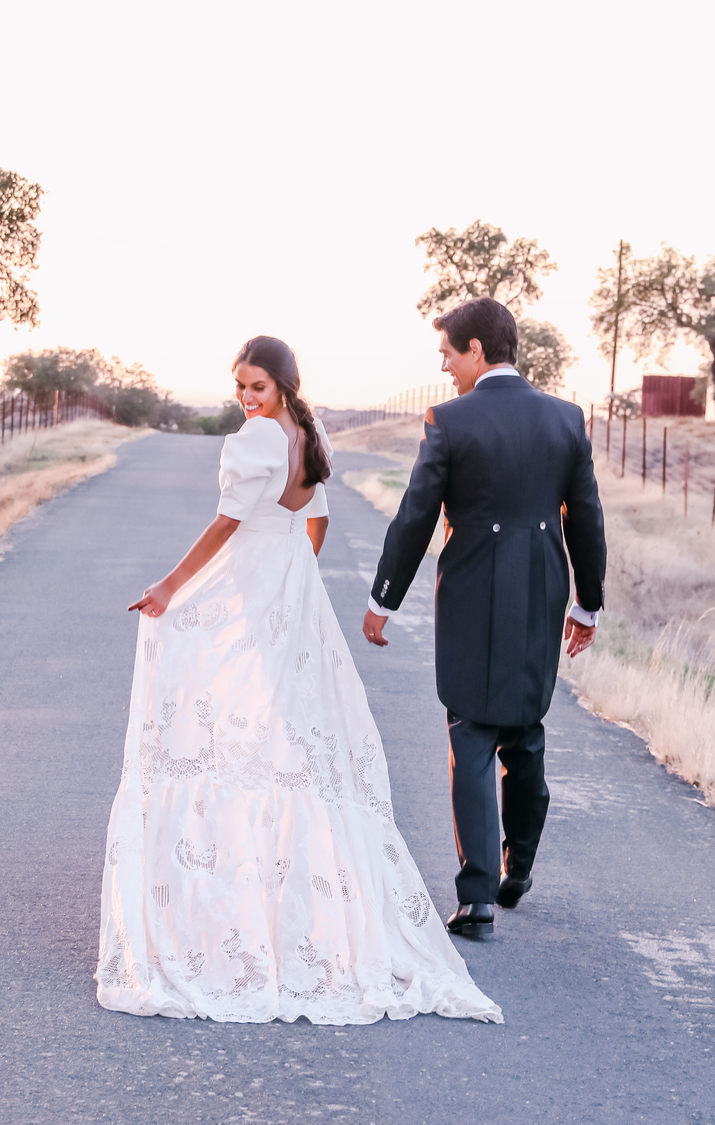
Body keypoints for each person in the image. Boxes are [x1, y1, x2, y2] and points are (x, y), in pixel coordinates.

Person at [96, 334, 501, 1024]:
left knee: (234, 715)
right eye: (240, 386)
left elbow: (227, 523)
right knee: (289, 726)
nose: (245, 398)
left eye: (257, 386)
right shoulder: (309, 434)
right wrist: (296, 573)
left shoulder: (257, 439)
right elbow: (316, 522)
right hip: (292, 584)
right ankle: (292, 883)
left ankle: (246, 885)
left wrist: (169, 585)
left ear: (283, 383)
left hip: (258, 576)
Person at [362, 298, 606, 937]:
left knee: (470, 732)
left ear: (476, 349)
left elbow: (416, 514)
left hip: (471, 593)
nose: (444, 367)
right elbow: (586, 516)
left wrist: (383, 598)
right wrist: (588, 603)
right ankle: (517, 866)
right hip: (542, 591)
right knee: (524, 731)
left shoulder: (449, 420)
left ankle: (477, 902)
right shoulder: (566, 418)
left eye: (447, 353)